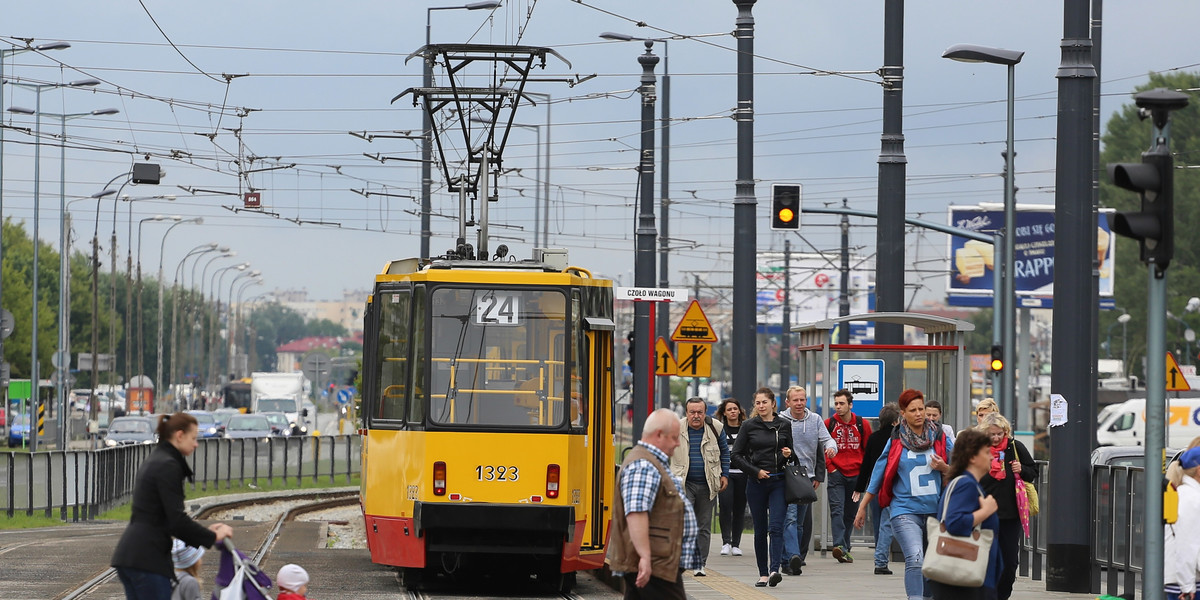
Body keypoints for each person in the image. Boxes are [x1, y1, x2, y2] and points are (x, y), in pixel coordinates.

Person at [112, 413, 234, 600]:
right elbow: (176, 520)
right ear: (179, 436)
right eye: (193, 438)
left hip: (133, 556)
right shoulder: (168, 465)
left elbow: (167, 518)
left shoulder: (158, 459)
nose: (196, 444)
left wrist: (204, 533)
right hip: (148, 559)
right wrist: (213, 536)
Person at [854, 389, 952, 600]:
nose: (919, 414)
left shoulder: (940, 436)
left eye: (921, 409)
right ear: (902, 413)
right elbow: (878, 475)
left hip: (936, 511)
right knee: (915, 558)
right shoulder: (896, 440)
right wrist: (862, 507)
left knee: (932, 563)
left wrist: (945, 467)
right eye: (913, 410)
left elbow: (962, 469)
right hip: (904, 510)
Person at [606, 408, 700, 600]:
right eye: (674, 437)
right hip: (655, 563)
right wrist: (645, 557)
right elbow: (636, 513)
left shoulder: (652, 462)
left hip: (657, 561)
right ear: (659, 435)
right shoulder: (643, 465)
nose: (677, 443)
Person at [731, 387, 795, 588]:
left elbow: (792, 455)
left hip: (778, 481)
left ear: (773, 404)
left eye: (764, 402)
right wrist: (755, 471)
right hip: (757, 482)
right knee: (760, 529)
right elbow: (736, 455)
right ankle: (763, 573)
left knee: (776, 527)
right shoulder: (748, 426)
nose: (761, 406)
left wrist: (788, 454)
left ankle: (775, 569)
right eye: (757, 403)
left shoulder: (784, 425)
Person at [930, 429, 1001, 600]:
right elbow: (955, 523)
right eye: (986, 452)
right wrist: (986, 511)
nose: (991, 457)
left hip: (967, 578)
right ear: (972, 457)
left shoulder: (964, 483)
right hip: (966, 579)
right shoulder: (966, 484)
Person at [977, 412, 1037, 600]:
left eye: (999, 434)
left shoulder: (1015, 447)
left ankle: (1002, 595)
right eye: (992, 434)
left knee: (1010, 562)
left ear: (1006, 432)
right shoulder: (978, 450)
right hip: (984, 515)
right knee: (987, 560)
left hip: (1011, 515)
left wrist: (1022, 469)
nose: (996, 438)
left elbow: (1033, 471)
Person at [669, 397, 730, 577]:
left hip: (708, 484)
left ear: (705, 413)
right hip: (683, 483)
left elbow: (725, 452)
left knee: (703, 525)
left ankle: (699, 564)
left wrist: (724, 475)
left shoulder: (716, 428)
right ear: (686, 413)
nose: (696, 416)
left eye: (699, 412)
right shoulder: (675, 428)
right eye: (692, 412)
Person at [779, 385, 836, 575]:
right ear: (788, 402)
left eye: (802, 399)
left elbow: (827, 440)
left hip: (807, 477)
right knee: (791, 518)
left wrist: (831, 448)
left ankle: (796, 559)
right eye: (795, 400)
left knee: (801, 522)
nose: (799, 403)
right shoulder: (781, 420)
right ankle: (791, 556)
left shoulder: (815, 420)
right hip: (787, 474)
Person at [825, 388, 872, 564]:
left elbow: (868, 451)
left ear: (850, 405)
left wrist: (865, 475)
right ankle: (839, 545)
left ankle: (845, 546)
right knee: (837, 509)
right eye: (836, 403)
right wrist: (831, 468)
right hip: (836, 473)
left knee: (850, 513)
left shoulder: (862, 424)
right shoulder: (828, 423)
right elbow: (823, 448)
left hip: (856, 475)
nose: (838, 407)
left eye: (842, 403)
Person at [854, 402, 901, 575]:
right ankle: (883, 558)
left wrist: (860, 488)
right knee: (889, 523)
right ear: (896, 421)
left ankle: (879, 556)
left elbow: (866, 466)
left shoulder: (874, 438)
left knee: (878, 522)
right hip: (893, 486)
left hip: (875, 488)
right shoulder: (899, 438)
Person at [1166, 447, 1200, 600]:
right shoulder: (1192, 498)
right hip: (1187, 583)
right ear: (1199, 470)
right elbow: (1186, 544)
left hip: (1183, 580)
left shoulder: (1184, 494)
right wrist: (1187, 586)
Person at [716, 398, 749, 558]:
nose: (733, 412)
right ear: (724, 413)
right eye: (729, 409)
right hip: (726, 475)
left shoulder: (746, 428)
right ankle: (726, 542)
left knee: (739, 508)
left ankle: (736, 544)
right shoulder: (719, 429)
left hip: (743, 474)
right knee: (725, 505)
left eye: (735, 409)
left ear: (739, 411)